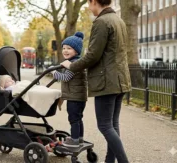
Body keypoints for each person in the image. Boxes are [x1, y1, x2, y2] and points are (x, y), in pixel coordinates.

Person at [60, 0, 131, 162]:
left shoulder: (101, 22)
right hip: (120, 79)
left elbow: (93, 55)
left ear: (94, 2)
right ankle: (109, 160)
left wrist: (72, 66)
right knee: (112, 124)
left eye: (89, 3)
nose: (87, 7)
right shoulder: (118, 20)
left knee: (105, 125)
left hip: (106, 81)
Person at [51, 32, 87, 148]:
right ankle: (79, 138)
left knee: (73, 119)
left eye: (69, 48)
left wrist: (53, 72)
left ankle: (75, 140)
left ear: (76, 51)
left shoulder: (73, 64)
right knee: (78, 118)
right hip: (79, 97)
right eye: (64, 48)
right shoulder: (75, 62)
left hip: (74, 97)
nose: (65, 50)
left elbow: (66, 78)